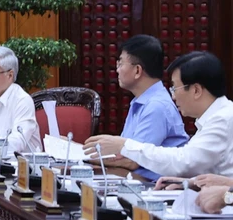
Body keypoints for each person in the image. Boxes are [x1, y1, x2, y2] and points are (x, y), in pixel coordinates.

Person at [91, 51, 233, 178]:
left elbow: (183, 163)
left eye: (175, 88)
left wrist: (125, 145)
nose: (173, 96)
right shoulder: (216, 116)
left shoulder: (222, 119)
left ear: (196, 90)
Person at [83, 35, 187, 180]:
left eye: (120, 64)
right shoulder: (141, 101)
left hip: (153, 189)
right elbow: (123, 153)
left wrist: (79, 155)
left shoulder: (156, 106)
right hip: (135, 182)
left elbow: (132, 160)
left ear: (137, 70)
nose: (117, 70)